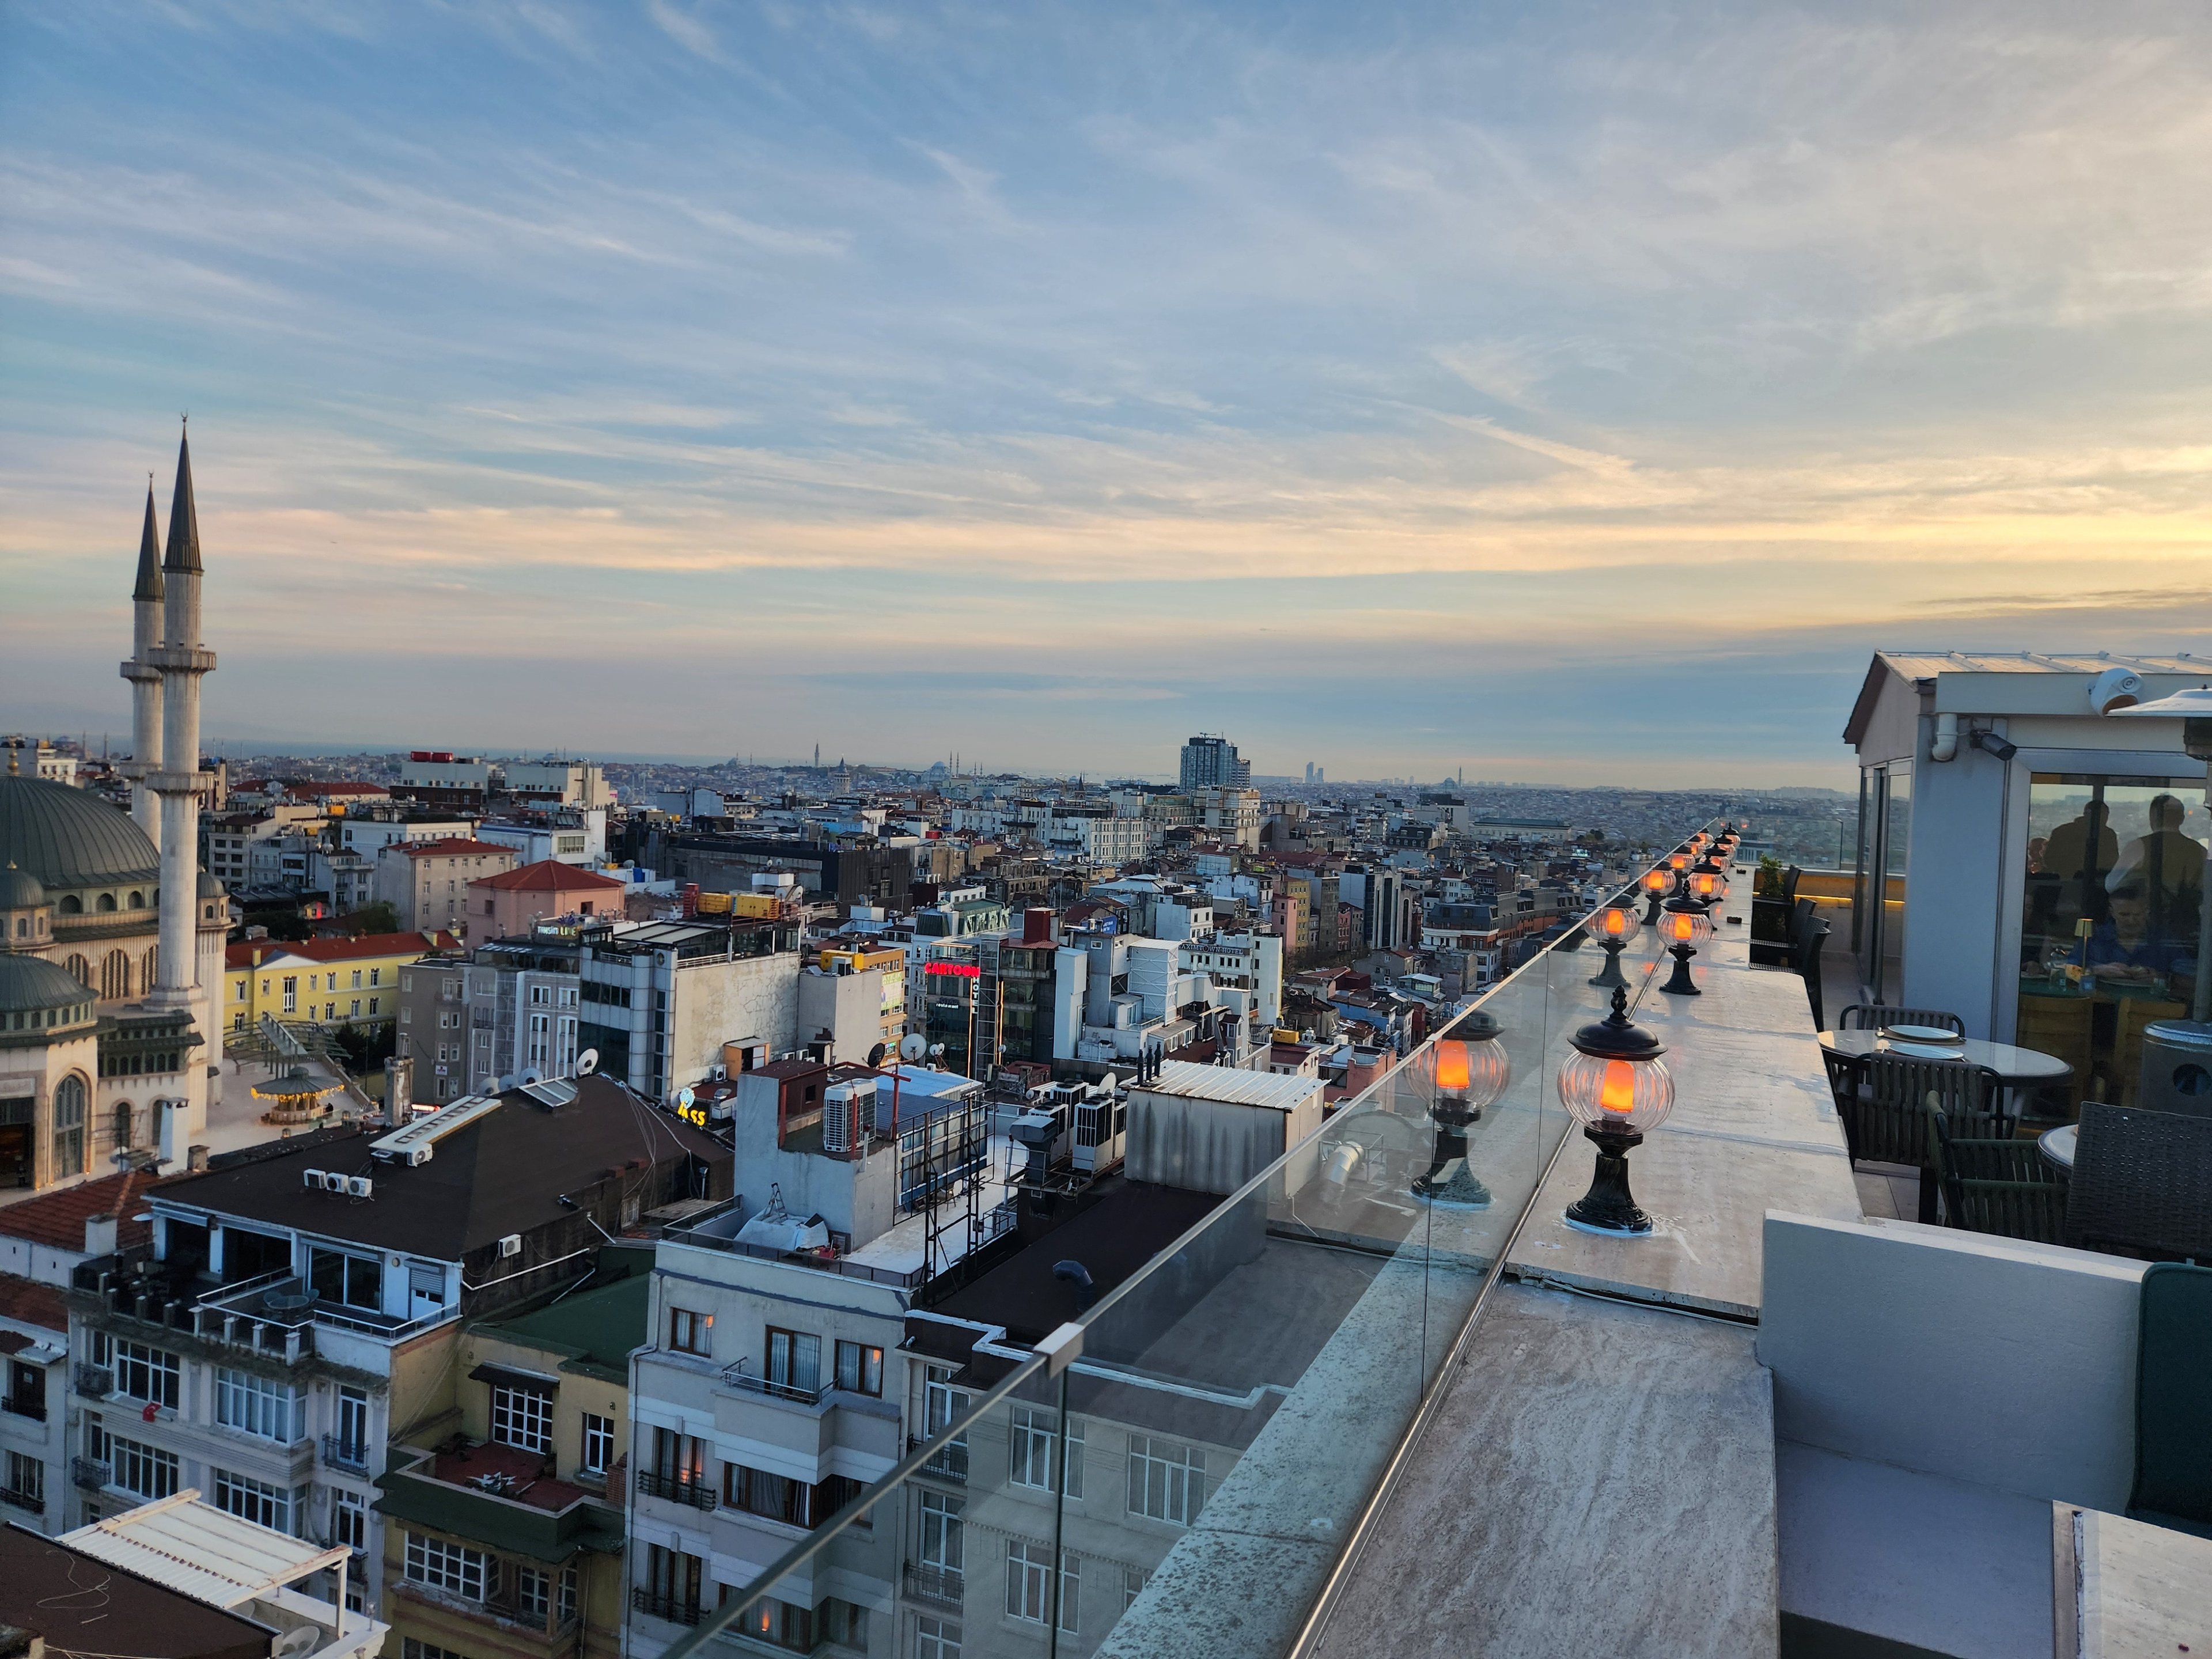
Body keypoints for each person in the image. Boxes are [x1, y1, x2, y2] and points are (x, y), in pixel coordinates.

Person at [2107, 793, 2207, 938]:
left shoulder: (2139, 846)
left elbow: (2111, 885)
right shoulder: (2200, 850)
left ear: (2153, 817)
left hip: (2148, 924)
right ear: (2182, 819)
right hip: (2188, 926)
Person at [2084, 886, 2198, 985]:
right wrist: (2096, 970)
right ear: (2112, 912)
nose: (2131, 921)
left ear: (2147, 911)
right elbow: (2069, 968)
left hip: (2153, 1007)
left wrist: (2162, 978)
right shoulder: (2095, 938)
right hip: (2103, 1006)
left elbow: (2193, 979)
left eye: (2137, 915)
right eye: (2124, 915)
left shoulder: (2164, 940)